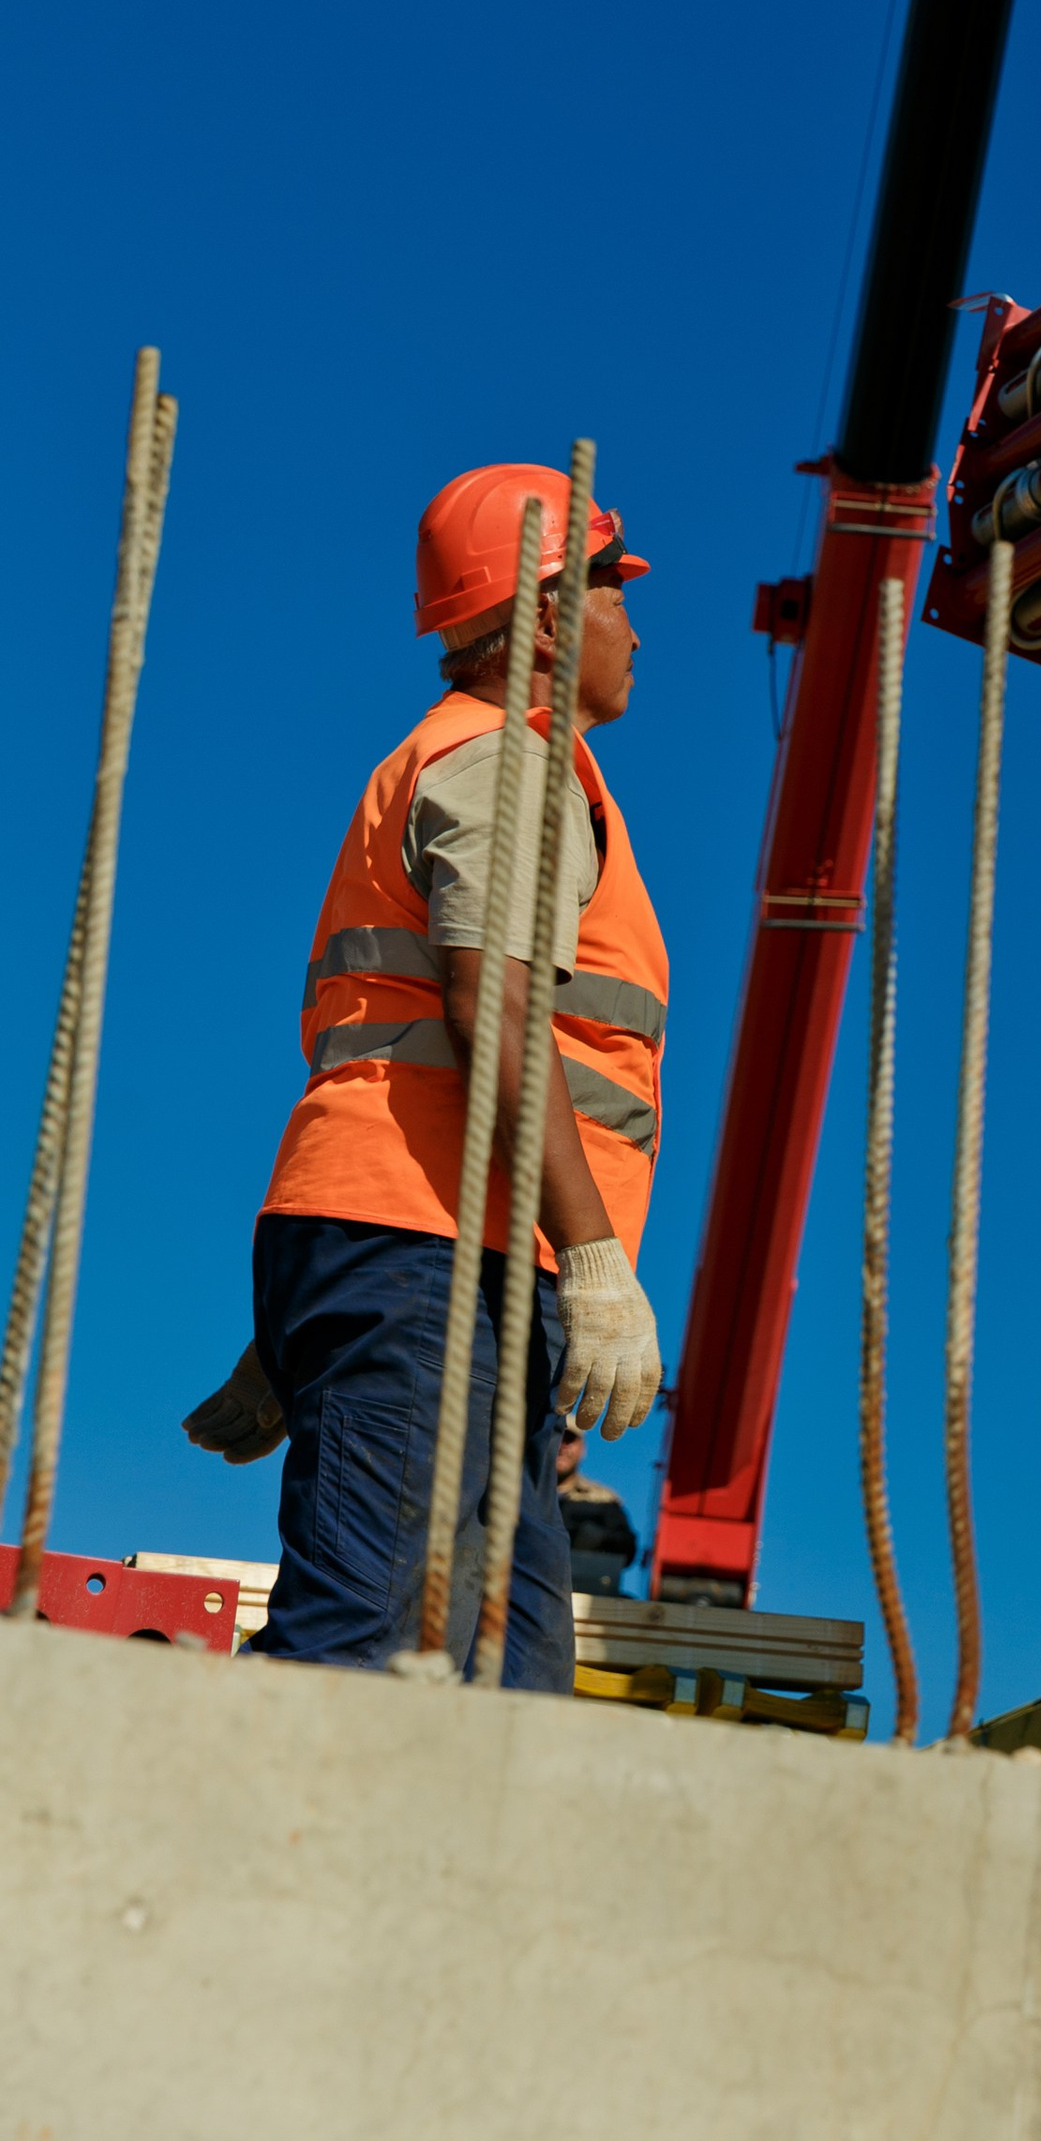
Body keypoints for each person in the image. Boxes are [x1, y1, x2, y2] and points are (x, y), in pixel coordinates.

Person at [183, 463, 669, 1689]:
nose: (635, 626)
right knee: (363, 1642)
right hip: (425, 1253)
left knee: (510, 1682)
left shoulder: (485, 760)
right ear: (548, 613)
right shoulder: (505, 765)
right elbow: (493, 1011)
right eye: (615, 588)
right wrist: (602, 1261)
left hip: (425, 1254)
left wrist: (308, 1334)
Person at [554, 1421, 639, 1597]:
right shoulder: (516, 1492)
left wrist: (598, 1538)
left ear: (582, 1449)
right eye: (556, 1437)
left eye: (569, 1440)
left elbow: (628, 1549)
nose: (562, 1447)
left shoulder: (604, 1500)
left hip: (582, 1589)